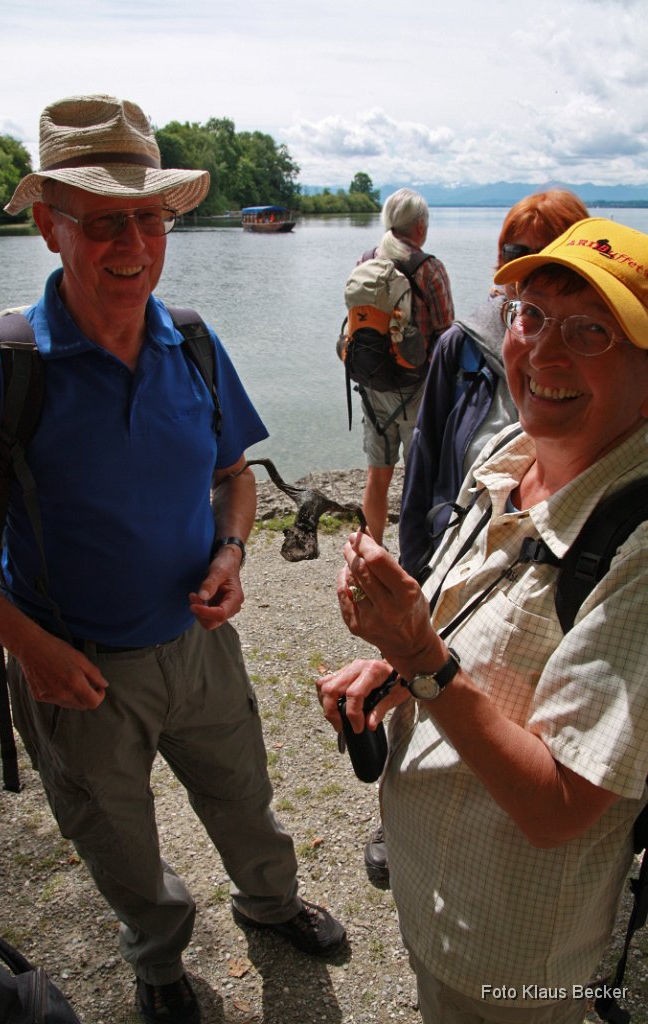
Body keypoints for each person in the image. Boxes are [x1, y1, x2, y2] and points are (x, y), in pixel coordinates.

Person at [0, 94, 345, 1024]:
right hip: (74, 667)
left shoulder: (197, 342)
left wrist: (231, 552)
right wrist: (31, 648)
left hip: (201, 647)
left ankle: (269, 902)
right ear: (51, 228)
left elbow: (234, 478)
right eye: (103, 222)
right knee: (118, 840)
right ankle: (160, 956)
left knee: (247, 800)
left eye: (148, 216)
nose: (132, 242)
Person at [318, 217, 648, 1024]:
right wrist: (397, 675)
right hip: (440, 883)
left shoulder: (637, 548)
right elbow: (475, 642)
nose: (543, 351)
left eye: (592, 332)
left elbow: (560, 807)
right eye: (530, 314)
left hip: (512, 942)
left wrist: (420, 657)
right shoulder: (505, 463)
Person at [364, 189, 590, 886]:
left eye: (546, 256)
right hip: (455, 557)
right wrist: (411, 583)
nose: (523, 272)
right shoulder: (462, 345)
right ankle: (400, 814)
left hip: (543, 570)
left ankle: (503, 850)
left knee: (509, 707)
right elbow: (427, 464)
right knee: (421, 683)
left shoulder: (580, 360)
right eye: (513, 257)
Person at [355, 188, 455, 543]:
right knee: (418, 479)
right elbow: (447, 339)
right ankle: (416, 560)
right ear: (421, 227)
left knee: (377, 477)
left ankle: (369, 556)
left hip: (373, 387)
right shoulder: (429, 269)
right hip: (417, 391)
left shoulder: (365, 261)